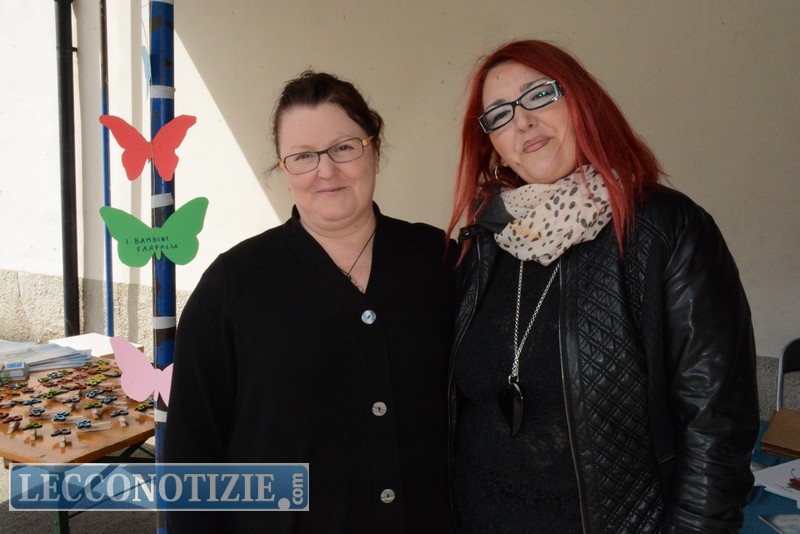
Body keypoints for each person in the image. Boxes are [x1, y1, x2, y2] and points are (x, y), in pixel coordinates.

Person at [447, 39, 759, 533]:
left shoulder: (665, 230)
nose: (522, 122)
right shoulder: (485, 244)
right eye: (500, 115)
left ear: (581, 102)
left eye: (539, 95)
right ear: (493, 143)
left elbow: (716, 428)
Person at [164, 71, 456, 533]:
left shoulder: (439, 261)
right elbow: (192, 454)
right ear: (284, 171)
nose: (326, 171)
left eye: (344, 147)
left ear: (375, 152)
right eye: (303, 156)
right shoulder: (231, 287)